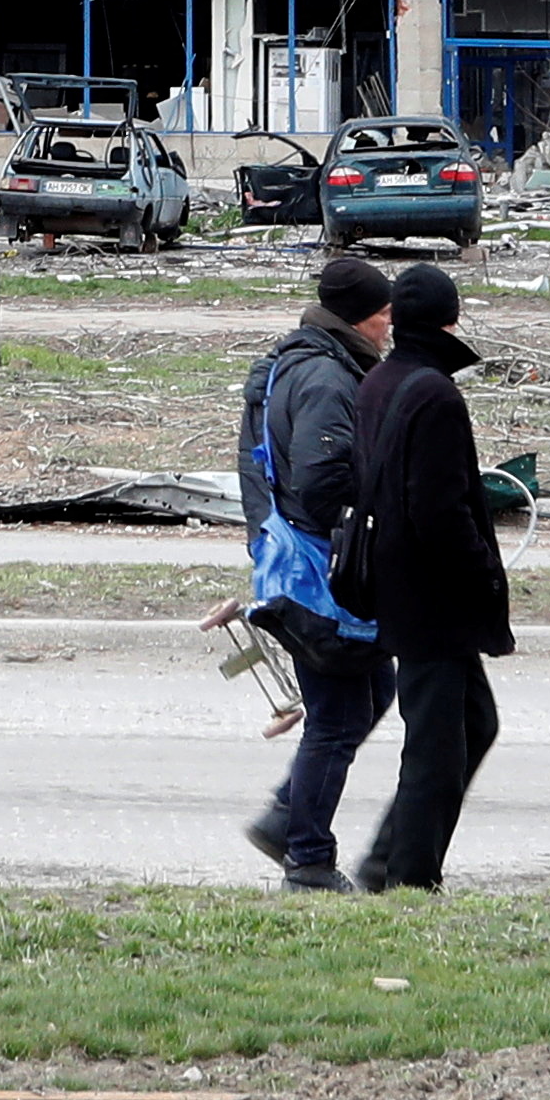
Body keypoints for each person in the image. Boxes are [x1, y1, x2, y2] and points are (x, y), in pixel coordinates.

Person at [346, 259, 509, 891]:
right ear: (449, 320)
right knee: (436, 749)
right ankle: (408, 877)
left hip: (400, 589)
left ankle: (389, 860)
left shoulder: (379, 381)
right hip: (433, 599)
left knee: (473, 724)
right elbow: (438, 512)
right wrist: (483, 578)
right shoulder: (435, 394)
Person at [233, 249, 393, 892]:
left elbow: (254, 462)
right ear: (356, 320)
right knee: (337, 715)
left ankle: (284, 818)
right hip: (318, 570)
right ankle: (306, 859)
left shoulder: (287, 363)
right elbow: (323, 478)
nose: (390, 327)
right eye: (384, 316)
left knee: (372, 693)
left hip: (289, 555)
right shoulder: (327, 379)